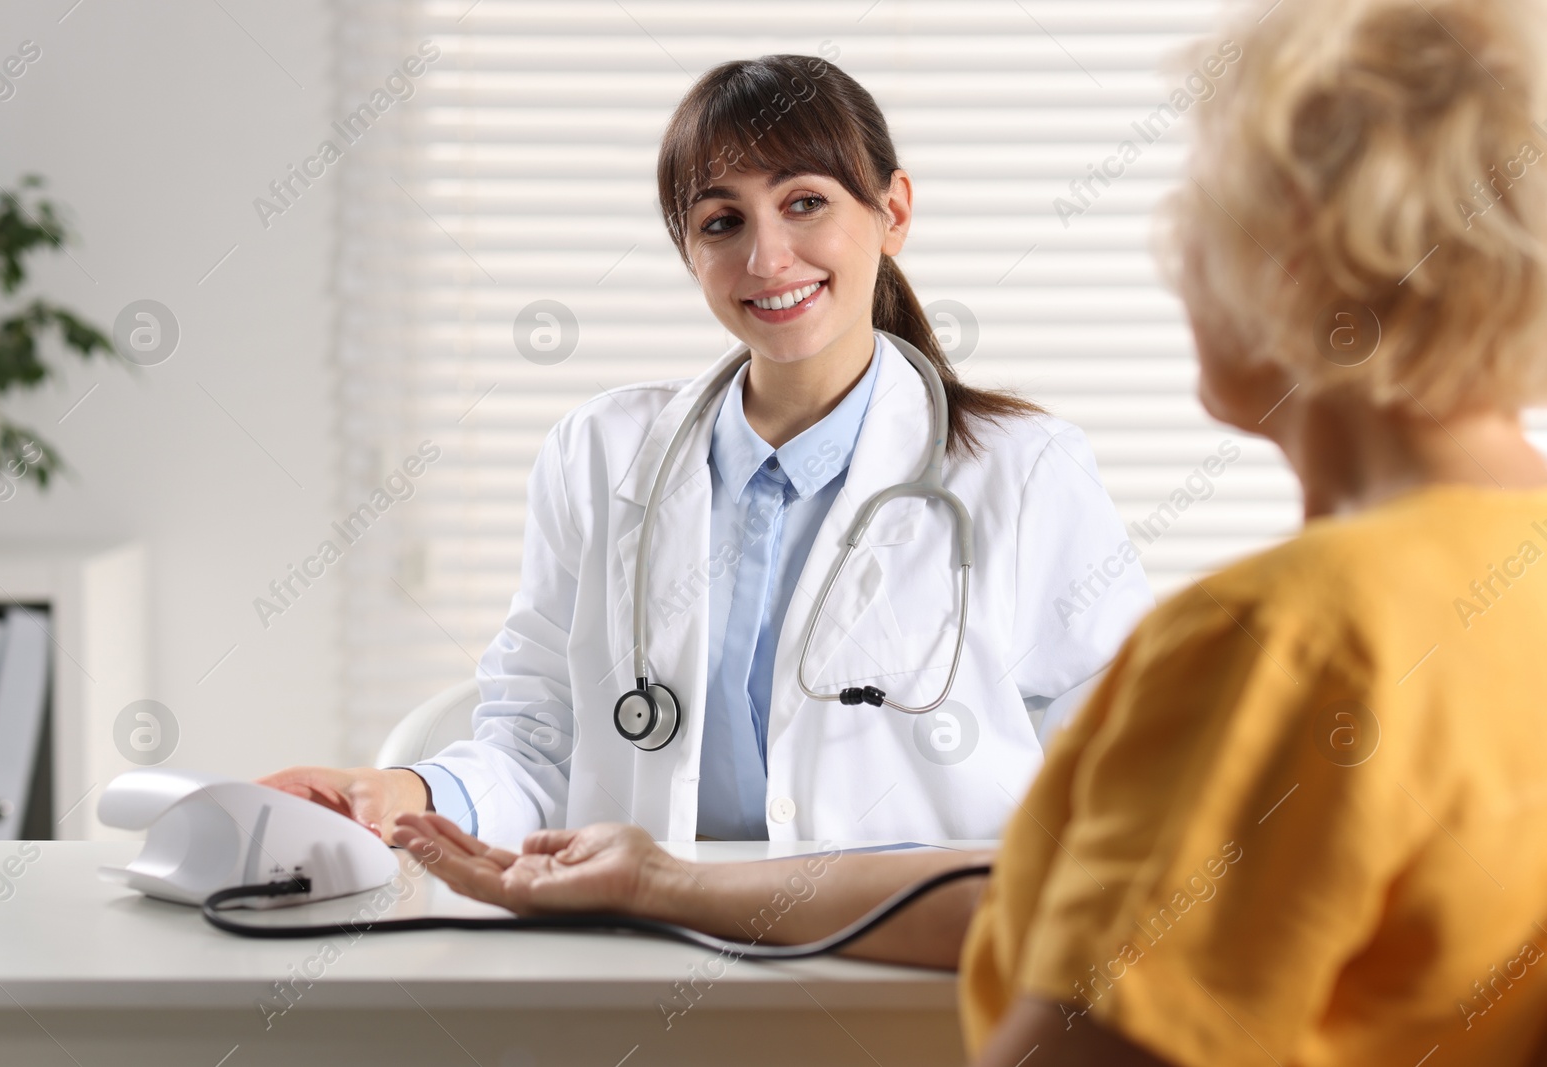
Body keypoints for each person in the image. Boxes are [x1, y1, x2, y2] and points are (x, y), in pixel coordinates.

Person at [387, 1, 1547, 1063]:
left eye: (1194, 214)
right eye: (720, 220)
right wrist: (667, 880)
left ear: (1283, 270)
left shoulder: (1275, 643)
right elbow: (1044, 880)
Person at [261, 55, 1152, 845]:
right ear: (689, 250)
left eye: (805, 202)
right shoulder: (598, 455)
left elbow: (1127, 756)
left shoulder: (1023, 470)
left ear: (893, 212)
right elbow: (538, 741)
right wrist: (403, 791)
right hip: (644, 944)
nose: (767, 257)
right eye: (722, 221)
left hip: (904, 952)